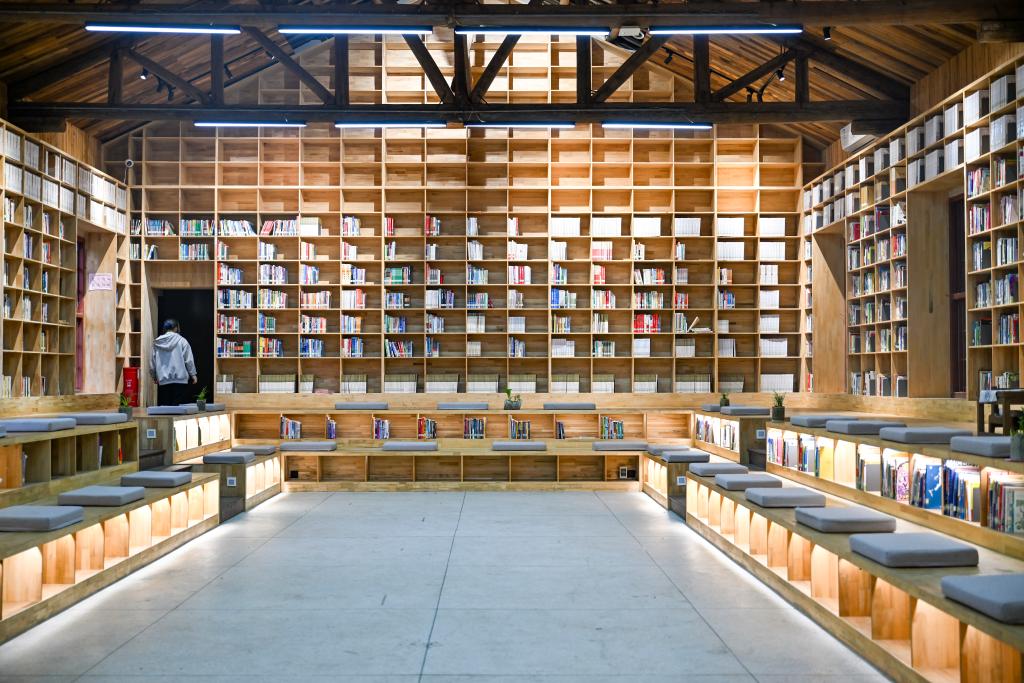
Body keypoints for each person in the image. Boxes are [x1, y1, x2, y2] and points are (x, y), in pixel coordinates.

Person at [150, 319, 198, 406]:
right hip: (180, 381)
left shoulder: (157, 342)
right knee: (179, 409)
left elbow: (152, 362)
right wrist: (193, 374)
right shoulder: (182, 341)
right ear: (176, 328)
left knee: (166, 408)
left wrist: (154, 376)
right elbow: (189, 360)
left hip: (163, 381)